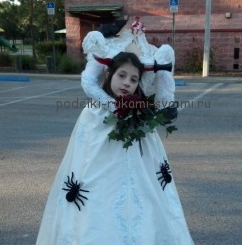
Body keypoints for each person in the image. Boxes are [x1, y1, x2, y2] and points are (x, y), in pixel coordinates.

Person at [36, 21, 194, 245]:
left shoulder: (141, 113)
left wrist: (158, 106)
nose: (126, 83)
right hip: (98, 148)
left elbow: (164, 91)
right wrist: (114, 106)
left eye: (133, 79)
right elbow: (88, 84)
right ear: (110, 74)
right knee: (93, 181)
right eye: (122, 76)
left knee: (145, 189)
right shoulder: (92, 115)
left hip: (138, 138)